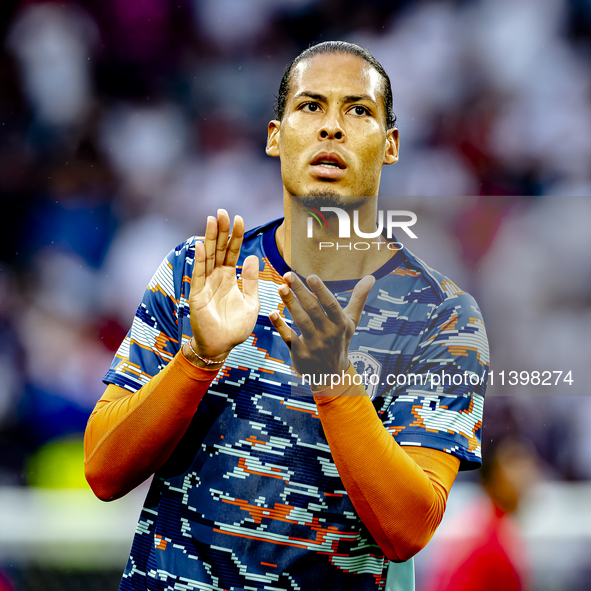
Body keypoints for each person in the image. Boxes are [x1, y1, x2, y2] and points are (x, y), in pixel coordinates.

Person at [84, 41, 489, 590]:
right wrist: (197, 359)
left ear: (390, 146)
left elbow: (407, 529)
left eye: (359, 110)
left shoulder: (441, 317)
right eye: (310, 106)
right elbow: (104, 471)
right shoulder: (198, 272)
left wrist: (335, 382)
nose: (332, 128)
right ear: (276, 136)